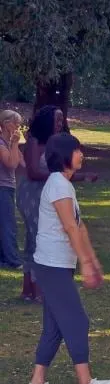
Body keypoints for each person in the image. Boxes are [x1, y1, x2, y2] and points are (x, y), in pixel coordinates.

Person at [25, 132, 110, 384]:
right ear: (65, 155)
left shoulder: (64, 185)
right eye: (77, 150)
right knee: (77, 321)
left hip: (58, 263)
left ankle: (37, 382)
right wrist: (86, 265)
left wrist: (93, 261)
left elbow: (80, 227)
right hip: (50, 264)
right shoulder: (58, 185)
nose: (81, 155)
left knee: (55, 326)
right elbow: (68, 227)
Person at [18, 107, 97, 302]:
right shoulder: (35, 142)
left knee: (34, 240)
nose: (60, 122)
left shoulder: (58, 143)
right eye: (57, 118)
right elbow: (33, 172)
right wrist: (60, 176)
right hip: (33, 194)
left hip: (49, 193)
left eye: (62, 118)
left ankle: (29, 289)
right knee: (38, 239)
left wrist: (82, 177)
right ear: (47, 120)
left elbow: (62, 174)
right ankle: (37, 290)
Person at [0, 110, 24, 269]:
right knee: (8, 224)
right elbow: (11, 164)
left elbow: (22, 162)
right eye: (16, 123)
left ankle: (3, 257)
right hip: (3, 187)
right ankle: (13, 260)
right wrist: (15, 143)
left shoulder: (7, 143)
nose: (18, 127)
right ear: (6, 124)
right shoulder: (1, 144)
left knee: (4, 223)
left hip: (8, 187)